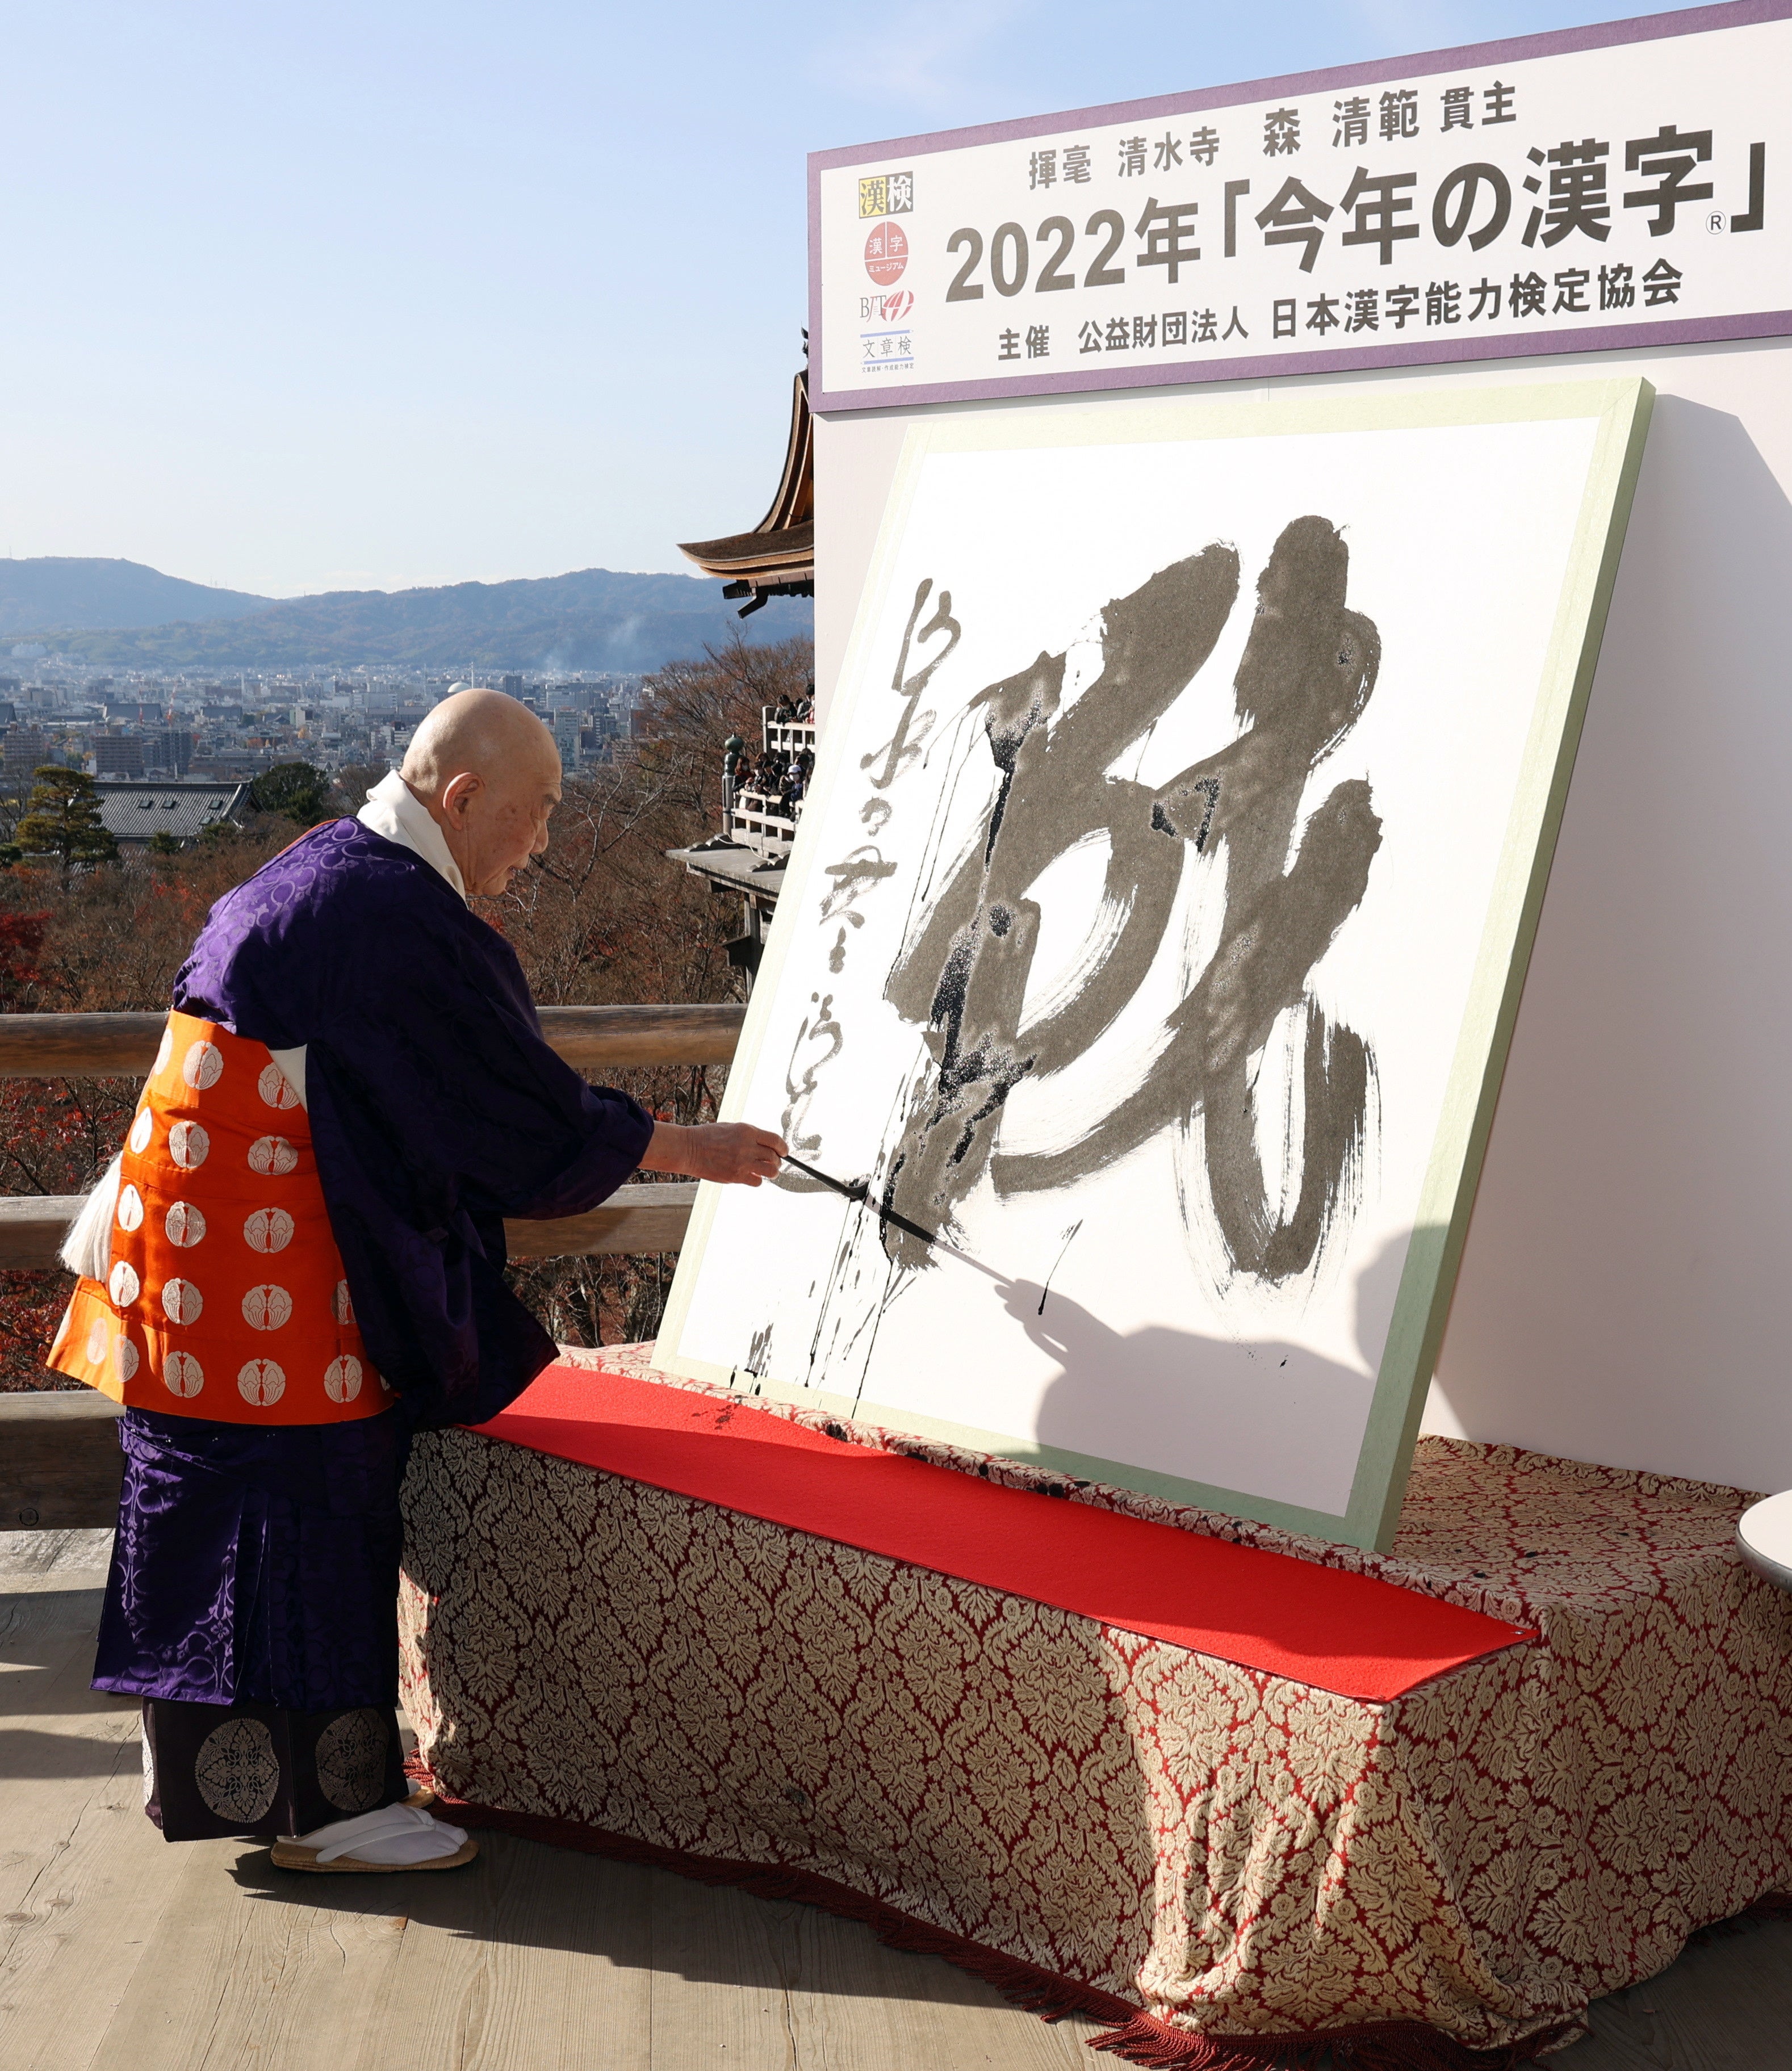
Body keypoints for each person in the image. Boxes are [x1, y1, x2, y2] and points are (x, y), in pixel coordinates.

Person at [47, 690, 785, 1873]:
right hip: (262, 1278)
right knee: (315, 1513)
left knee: (217, 1519)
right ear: (463, 798)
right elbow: (512, 1112)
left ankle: (220, 1785)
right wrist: (692, 1150)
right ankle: (331, 1813)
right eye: (536, 814)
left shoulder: (323, 871)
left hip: (185, 1256)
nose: (540, 843)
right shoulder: (391, 915)